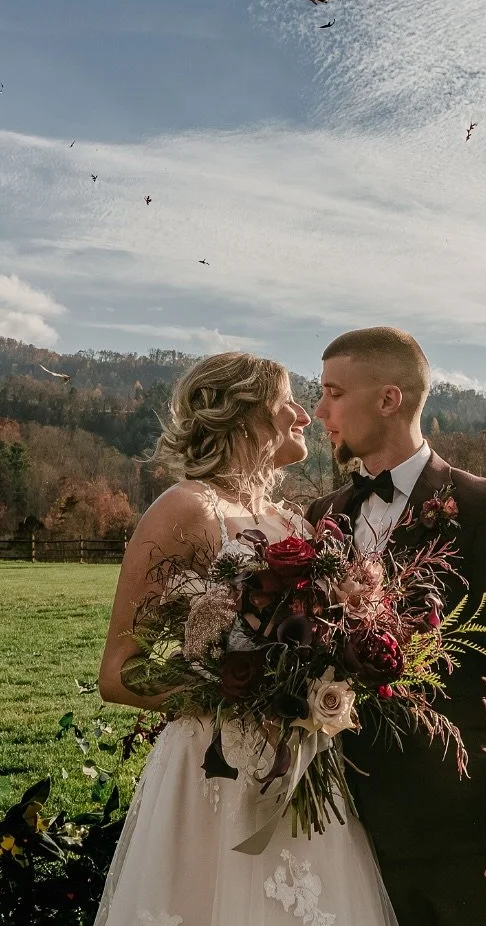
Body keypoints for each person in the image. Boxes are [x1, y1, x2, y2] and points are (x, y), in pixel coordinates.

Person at [93, 351, 398, 926]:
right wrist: (237, 694)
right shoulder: (185, 508)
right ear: (244, 414)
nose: (304, 416)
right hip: (216, 776)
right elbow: (117, 672)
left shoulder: (291, 522)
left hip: (301, 770)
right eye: (287, 401)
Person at [307, 326, 486, 926]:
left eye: (333, 393)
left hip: (465, 819)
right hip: (350, 819)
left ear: (389, 399)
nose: (320, 411)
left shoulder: (483, 507)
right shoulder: (323, 516)